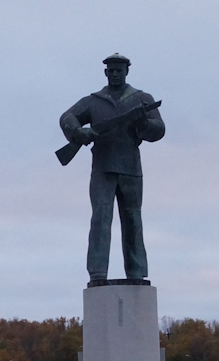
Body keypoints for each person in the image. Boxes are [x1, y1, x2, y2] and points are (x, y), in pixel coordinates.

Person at [59, 53, 166, 284]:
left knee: (132, 219)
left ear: (127, 71)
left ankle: (136, 272)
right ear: (106, 73)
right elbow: (67, 117)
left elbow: (159, 129)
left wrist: (144, 123)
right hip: (102, 168)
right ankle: (97, 273)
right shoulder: (93, 101)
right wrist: (79, 132)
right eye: (111, 70)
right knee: (100, 219)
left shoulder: (142, 98)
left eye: (119, 70)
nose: (115, 74)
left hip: (130, 168)